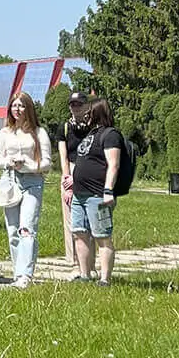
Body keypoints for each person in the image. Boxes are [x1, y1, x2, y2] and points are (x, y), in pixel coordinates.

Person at [0, 92, 51, 287]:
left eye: (21, 105)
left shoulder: (39, 133)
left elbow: (47, 162)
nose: (17, 109)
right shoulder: (5, 133)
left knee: (27, 229)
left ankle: (26, 275)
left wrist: (28, 164)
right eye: (14, 105)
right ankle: (18, 272)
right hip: (10, 181)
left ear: (28, 108)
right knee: (13, 230)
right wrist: (8, 162)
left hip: (32, 182)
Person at [63, 94, 124, 284]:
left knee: (102, 236)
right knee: (79, 234)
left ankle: (105, 279)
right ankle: (85, 274)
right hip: (80, 194)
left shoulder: (111, 135)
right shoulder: (91, 134)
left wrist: (108, 190)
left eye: (89, 112)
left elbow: (113, 164)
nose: (86, 115)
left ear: (98, 113)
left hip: (98, 196)